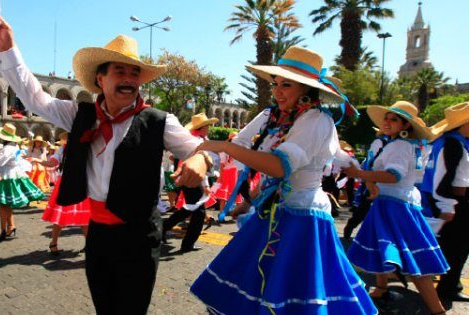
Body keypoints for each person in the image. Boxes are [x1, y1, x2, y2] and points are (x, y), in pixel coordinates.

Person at [0, 15, 212, 314]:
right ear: (100, 79)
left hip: (140, 234)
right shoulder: (78, 114)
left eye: (135, 73)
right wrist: (8, 49)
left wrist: (200, 159)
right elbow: (34, 98)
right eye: (119, 71)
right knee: (105, 307)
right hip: (98, 233)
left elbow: (202, 150)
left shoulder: (160, 121)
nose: (129, 78)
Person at [190, 46, 376, 314]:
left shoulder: (317, 120)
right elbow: (241, 143)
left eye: (286, 84)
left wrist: (224, 148)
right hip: (271, 212)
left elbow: (279, 166)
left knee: (292, 297)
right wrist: (207, 159)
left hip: (302, 218)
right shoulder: (271, 116)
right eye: (276, 83)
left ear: (306, 89)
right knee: (254, 291)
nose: (277, 91)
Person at [344, 101, 449, 315]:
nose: (387, 122)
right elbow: (378, 171)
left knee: (414, 261)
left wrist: (361, 176)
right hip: (388, 204)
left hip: (398, 208)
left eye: (394, 119)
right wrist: (371, 184)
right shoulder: (391, 144)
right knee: (380, 248)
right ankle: (382, 288)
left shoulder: (399, 146)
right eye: (387, 118)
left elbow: (393, 176)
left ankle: (438, 311)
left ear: (405, 126)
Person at [420, 102, 469, 302]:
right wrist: (446, 205)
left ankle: (450, 284)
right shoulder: (453, 145)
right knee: (456, 247)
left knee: (454, 246)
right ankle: (447, 288)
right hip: (455, 201)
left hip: (451, 200)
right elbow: (442, 179)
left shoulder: (450, 142)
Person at [163, 113, 218, 253]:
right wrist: (205, 185)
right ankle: (187, 244)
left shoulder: (198, 140)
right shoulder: (197, 141)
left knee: (190, 208)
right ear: (203, 127)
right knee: (198, 211)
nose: (209, 128)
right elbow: (199, 165)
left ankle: (163, 228)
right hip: (192, 179)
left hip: (188, 178)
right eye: (208, 126)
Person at [0, 123, 44, 241]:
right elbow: (1, 150)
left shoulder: (8, 149)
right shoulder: (14, 147)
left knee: (3, 204)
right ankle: (10, 225)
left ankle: (3, 230)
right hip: (14, 174)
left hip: (7, 176)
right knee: (7, 203)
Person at [33, 131, 91, 255]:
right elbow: (52, 163)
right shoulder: (63, 149)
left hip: (81, 183)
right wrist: (37, 160)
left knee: (85, 217)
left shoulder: (87, 147)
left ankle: (89, 244)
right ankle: (53, 242)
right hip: (65, 183)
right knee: (60, 216)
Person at [343, 129, 389, 240]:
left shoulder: (396, 143)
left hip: (385, 181)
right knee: (365, 207)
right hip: (374, 179)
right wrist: (368, 179)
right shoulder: (380, 142)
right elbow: (370, 161)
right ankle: (350, 227)